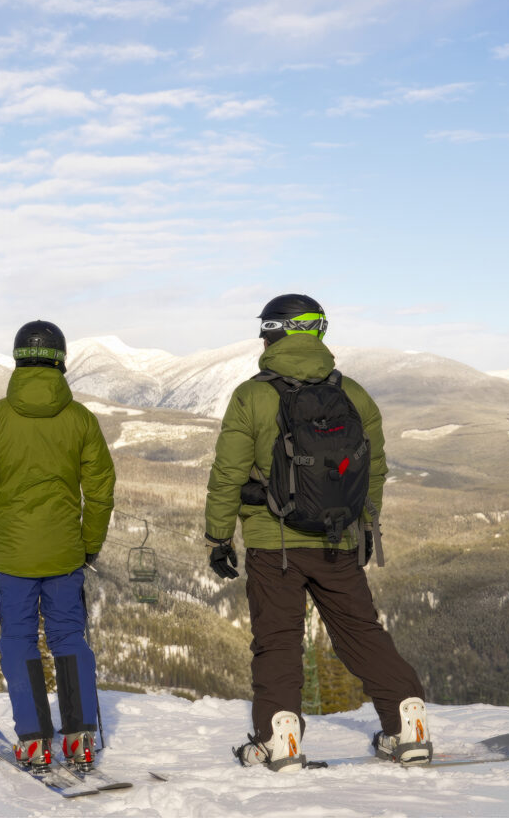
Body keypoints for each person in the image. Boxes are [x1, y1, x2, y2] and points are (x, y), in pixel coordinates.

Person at [203, 294, 430, 771]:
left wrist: (219, 537)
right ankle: (407, 724)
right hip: (338, 540)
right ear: (317, 333)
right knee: (361, 633)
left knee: (277, 639)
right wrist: (366, 526)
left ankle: (279, 738)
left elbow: (228, 472)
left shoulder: (252, 395)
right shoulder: (354, 394)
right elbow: (375, 469)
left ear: (274, 333)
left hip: (273, 543)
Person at [0, 320, 116, 773]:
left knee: (18, 640)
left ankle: (33, 741)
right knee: (70, 638)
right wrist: (89, 544)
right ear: (61, 360)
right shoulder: (80, 419)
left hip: (12, 555)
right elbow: (101, 489)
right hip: (66, 553)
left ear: (17, 359)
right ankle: (80, 738)